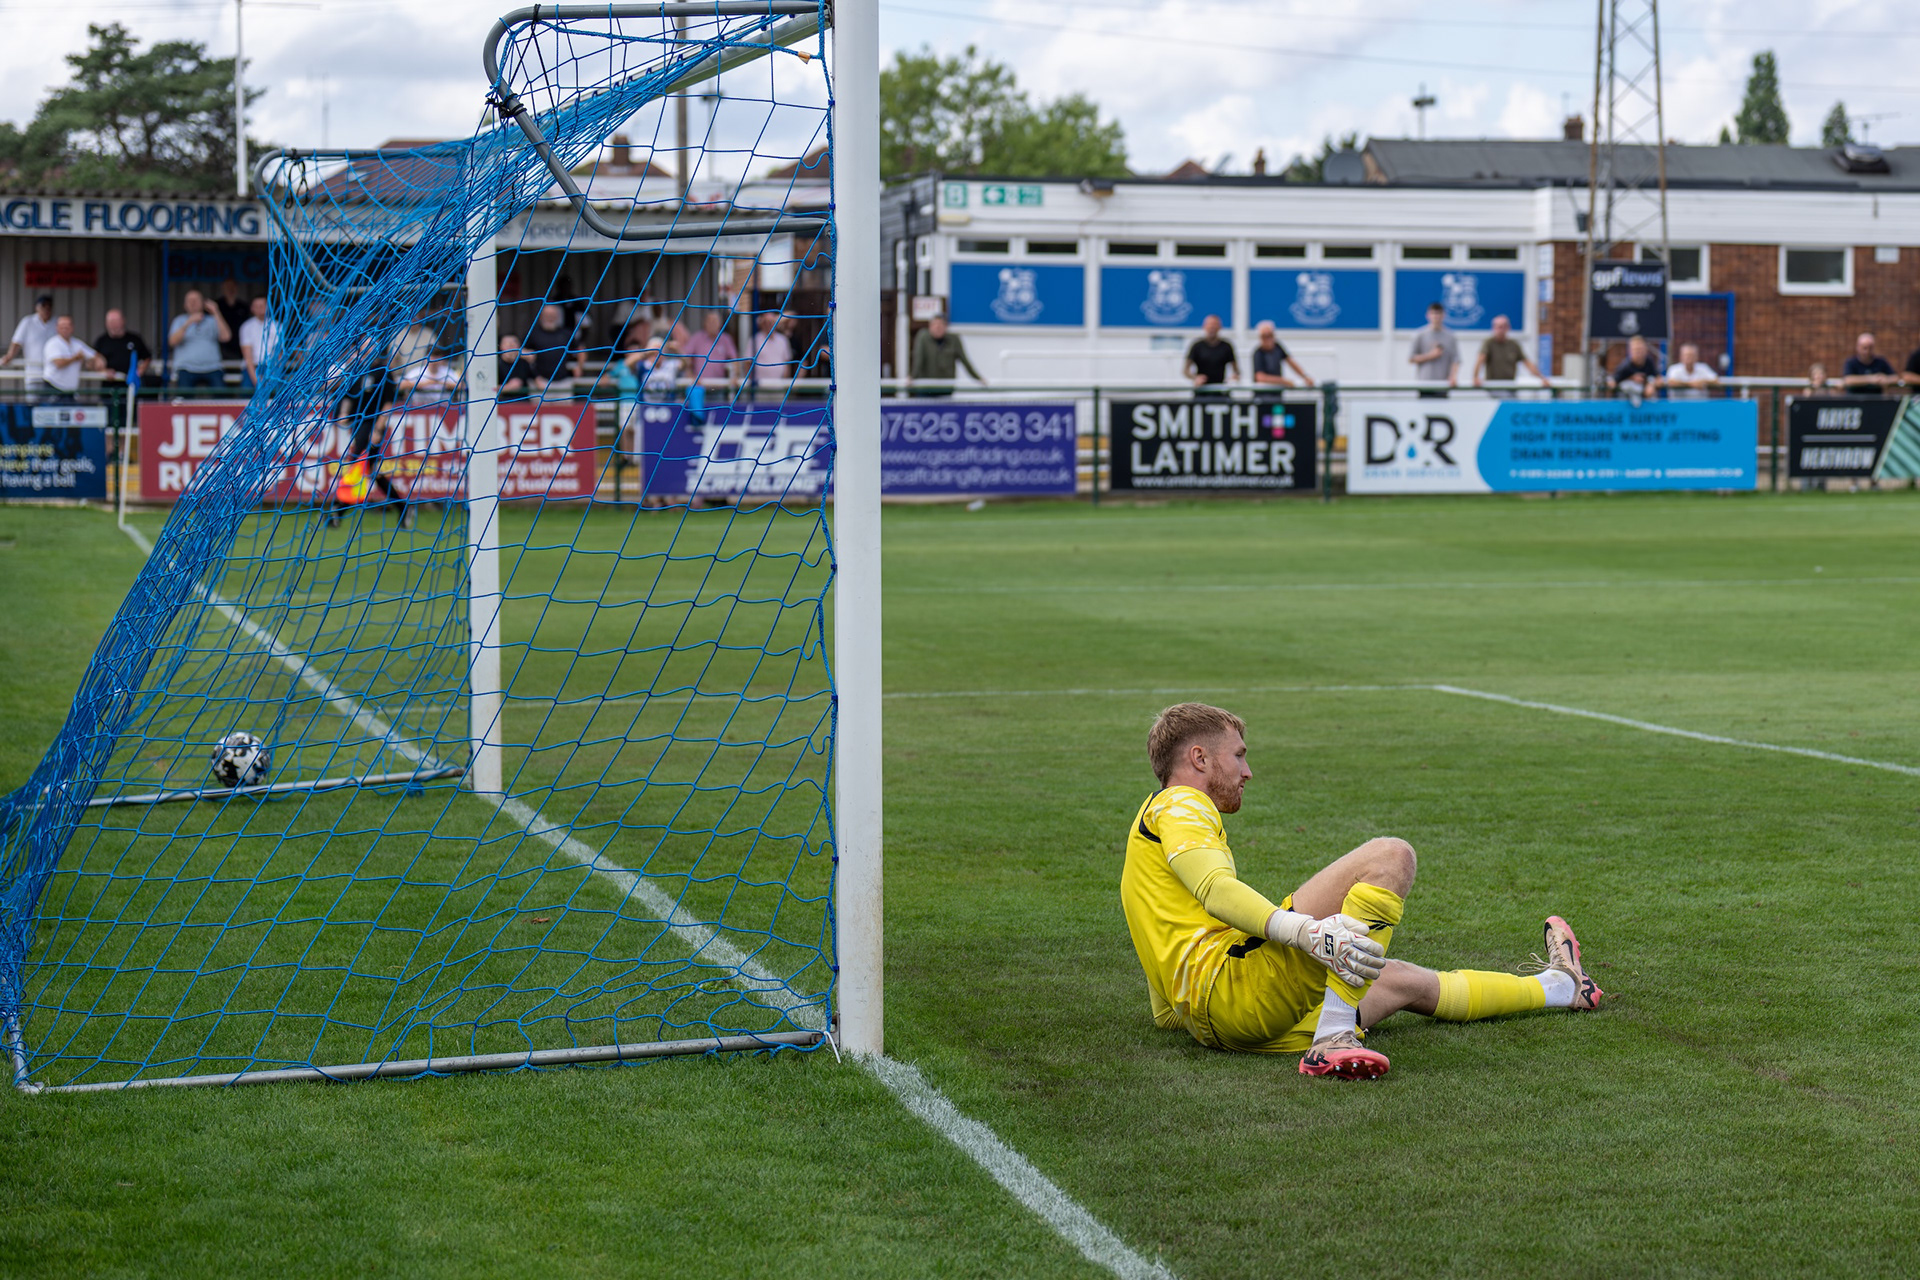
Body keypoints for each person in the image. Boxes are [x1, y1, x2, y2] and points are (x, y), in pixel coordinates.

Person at [1120, 703, 1601, 1081]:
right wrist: (1306, 932)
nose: (1248, 771)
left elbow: (1166, 954)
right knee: (1390, 856)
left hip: (1218, 1026)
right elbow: (1215, 890)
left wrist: (1184, 1015)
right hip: (1233, 992)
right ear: (1199, 758)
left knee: (1398, 979)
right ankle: (1335, 1036)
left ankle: (1563, 988)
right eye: (1240, 755)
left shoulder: (1148, 828)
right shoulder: (1181, 802)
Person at [168, 290, 230, 393]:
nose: (193, 303)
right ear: (184, 305)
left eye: (196, 300)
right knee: (184, 400)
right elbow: (172, 342)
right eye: (189, 300)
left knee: (221, 399)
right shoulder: (179, 321)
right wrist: (188, 322)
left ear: (203, 303)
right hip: (186, 368)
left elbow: (226, 337)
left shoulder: (212, 320)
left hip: (212, 367)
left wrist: (216, 312)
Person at [909, 314, 984, 397]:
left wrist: (978, 379)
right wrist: (912, 377)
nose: (937, 327)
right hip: (926, 389)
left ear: (946, 327)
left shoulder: (953, 339)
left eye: (941, 325)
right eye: (934, 325)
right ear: (929, 327)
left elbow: (965, 361)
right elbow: (918, 359)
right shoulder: (923, 337)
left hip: (945, 389)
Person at [1470, 314, 1543, 393]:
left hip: (1510, 386)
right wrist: (1475, 377)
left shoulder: (1514, 345)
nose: (1500, 330)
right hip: (1493, 387)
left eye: (1503, 327)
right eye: (1498, 327)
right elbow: (1480, 360)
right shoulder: (1489, 343)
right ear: (1493, 328)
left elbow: (1527, 363)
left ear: (1508, 328)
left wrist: (1541, 378)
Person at [522, 304, 584, 394]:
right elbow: (520, 352)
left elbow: (581, 349)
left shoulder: (566, 333)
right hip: (539, 383)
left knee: (565, 408)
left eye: (552, 315)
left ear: (557, 316)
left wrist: (579, 366)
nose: (549, 317)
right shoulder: (533, 333)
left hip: (563, 382)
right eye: (547, 315)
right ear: (541, 316)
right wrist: (535, 376)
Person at [41, 315, 104, 403]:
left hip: (70, 391)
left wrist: (96, 363)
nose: (65, 329)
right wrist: (75, 358)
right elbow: (59, 363)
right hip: (53, 388)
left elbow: (95, 356)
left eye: (67, 326)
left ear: (72, 328)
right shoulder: (52, 343)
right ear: (57, 328)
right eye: (62, 326)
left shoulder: (77, 344)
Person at [6, 296, 58, 399]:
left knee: (51, 409)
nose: (46, 309)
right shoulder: (28, 322)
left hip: (53, 376)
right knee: (33, 405)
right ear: (37, 308)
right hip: (34, 374)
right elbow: (17, 341)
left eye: (49, 306)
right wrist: (9, 356)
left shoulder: (57, 322)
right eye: (43, 306)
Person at [1408, 301, 1458, 397]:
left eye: (1438, 313)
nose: (1436, 317)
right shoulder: (1420, 335)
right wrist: (1431, 355)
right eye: (1433, 313)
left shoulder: (1450, 336)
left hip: (1443, 386)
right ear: (1428, 315)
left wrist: (1453, 376)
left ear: (1443, 315)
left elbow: (1456, 360)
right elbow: (1411, 359)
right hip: (1424, 385)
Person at [1249, 320, 1313, 394]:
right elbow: (1260, 377)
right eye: (1265, 336)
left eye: (1270, 335)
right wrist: (1283, 381)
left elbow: (1290, 362)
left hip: (1277, 394)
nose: (1268, 339)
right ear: (1260, 338)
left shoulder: (1277, 347)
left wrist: (1305, 377)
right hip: (1263, 396)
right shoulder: (1258, 353)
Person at [681, 310, 740, 391]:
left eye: (715, 321)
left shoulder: (726, 339)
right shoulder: (697, 338)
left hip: (719, 388)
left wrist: (735, 376)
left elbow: (735, 359)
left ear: (720, 323)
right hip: (699, 387)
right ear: (705, 323)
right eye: (710, 321)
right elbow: (685, 357)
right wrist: (691, 376)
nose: (713, 324)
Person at [93, 309, 152, 385]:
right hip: (109, 387)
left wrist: (140, 370)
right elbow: (92, 362)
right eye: (111, 322)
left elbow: (147, 357)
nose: (114, 325)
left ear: (123, 321)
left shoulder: (135, 339)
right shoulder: (101, 341)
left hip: (131, 385)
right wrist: (104, 371)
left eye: (116, 321)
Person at [1183, 315, 1237, 396]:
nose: (1212, 327)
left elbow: (1236, 370)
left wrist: (1233, 379)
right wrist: (1195, 378)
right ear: (1204, 326)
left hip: (1220, 390)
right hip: (1201, 390)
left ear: (1220, 327)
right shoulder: (1197, 346)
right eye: (1210, 325)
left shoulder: (1226, 346)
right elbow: (1185, 370)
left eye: (1215, 325)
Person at [239, 296, 280, 391]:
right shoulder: (246, 326)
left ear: (269, 307)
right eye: (256, 306)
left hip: (272, 366)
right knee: (246, 391)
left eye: (262, 305)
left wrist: (272, 375)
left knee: (280, 392)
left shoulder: (277, 326)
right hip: (252, 367)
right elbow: (247, 356)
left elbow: (279, 354)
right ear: (252, 308)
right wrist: (256, 380)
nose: (260, 308)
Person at [749, 310, 795, 396]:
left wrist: (784, 382)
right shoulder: (755, 340)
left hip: (778, 386)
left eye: (772, 322)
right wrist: (752, 381)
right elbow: (748, 363)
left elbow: (787, 362)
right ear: (762, 324)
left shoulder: (783, 340)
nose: (769, 325)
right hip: (760, 387)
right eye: (766, 322)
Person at [1607, 335, 1662, 404]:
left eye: (1640, 349)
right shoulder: (1625, 366)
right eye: (1636, 350)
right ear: (1630, 351)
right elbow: (1612, 383)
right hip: (1625, 403)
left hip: (1646, 404)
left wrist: (1651, 384)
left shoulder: (1649, 362)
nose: (1639, 353)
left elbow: (1658, 379)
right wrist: (1630, 379)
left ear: (1645, 350)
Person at [213, 279, 250, 363]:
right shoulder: (216, 306)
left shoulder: (243, 306)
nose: (230, 289)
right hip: (221, 345)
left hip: (239, 344)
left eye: (232, 287)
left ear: (237, 288)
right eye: (227, 287)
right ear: (222, 288)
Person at [497, 334, 532, 399]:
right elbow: (488, 389)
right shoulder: (496, 364)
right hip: (502, 403)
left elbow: (538, 381)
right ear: (501, 346)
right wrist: (508, 387)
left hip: (523, 403)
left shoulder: (524, 363)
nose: (510, 346)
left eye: (513, 343)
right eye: (506, 343)